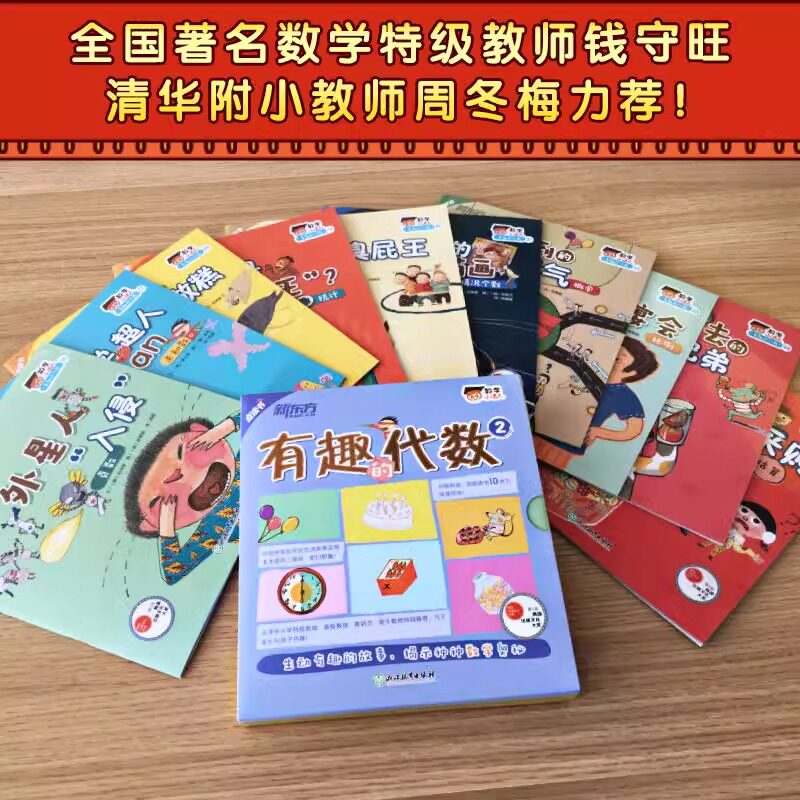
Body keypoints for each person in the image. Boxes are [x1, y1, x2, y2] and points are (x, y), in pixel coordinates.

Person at [123, 414, 240, 584]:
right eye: (160, 501)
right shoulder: (214, 528)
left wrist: (224, 428)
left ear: (200, 429)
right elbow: (173, 573)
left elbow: (262, 409)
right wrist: (166, 529)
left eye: (180, 452)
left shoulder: (247, 447)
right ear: (153, 525)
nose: (189, 479)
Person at [536, 337, 658, 469]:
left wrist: (598, 432)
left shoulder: (622, 394)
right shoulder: (590, 370)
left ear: (632, 372)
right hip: (542, 423)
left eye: (618, 359)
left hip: (565, 445)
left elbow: (634, 429)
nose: (611, 358)